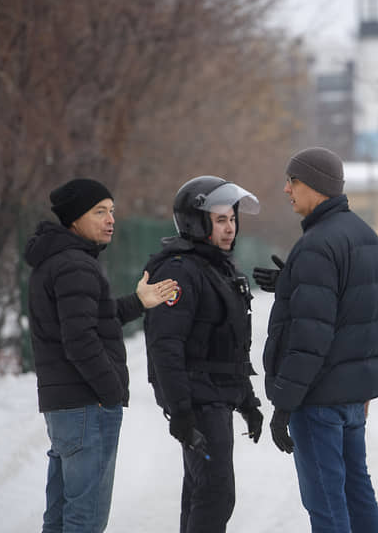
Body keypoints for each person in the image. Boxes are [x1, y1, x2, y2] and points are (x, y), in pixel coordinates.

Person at [26, 178, 177, 533]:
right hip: (86, 406)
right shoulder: (75, 265)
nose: (110, 219)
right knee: (86, 519)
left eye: (111, 211)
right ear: (75, 219)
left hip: (65, 405)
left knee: (62, 515)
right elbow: (79, 340)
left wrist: (139, 302)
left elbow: (94, 316)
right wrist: (109, 392)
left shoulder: (56, 260)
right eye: (99, 212)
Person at [253, 147, 378, 532]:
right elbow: (363, 312)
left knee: (327, 504)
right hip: (350, 399)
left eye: (292, 181)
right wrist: (291, 284)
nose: (286, 189)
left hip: (318, 400)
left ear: (314, 185)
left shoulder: (317, 244)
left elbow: (310, 337)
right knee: (358, 496)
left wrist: (284, 404)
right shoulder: (364, 236)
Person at [143, 176, 265, 533]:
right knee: (216, 493)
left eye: (232, 219)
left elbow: (227, 344)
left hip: (215, 398)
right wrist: (181, 410)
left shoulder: (217, 266)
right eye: (221, 220)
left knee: (201, 491)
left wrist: (247, 400)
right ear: (197, 222)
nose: (230, 228)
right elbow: (165, 346)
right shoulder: (180, 270)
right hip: (198, 401)